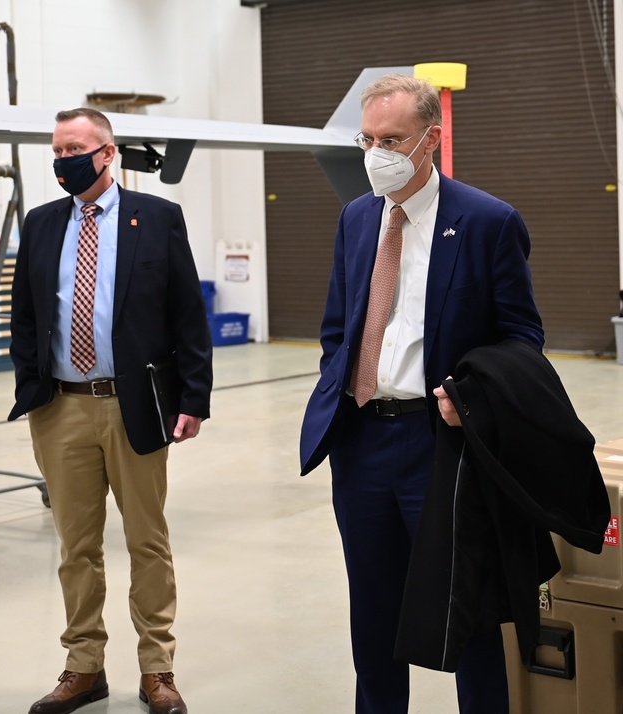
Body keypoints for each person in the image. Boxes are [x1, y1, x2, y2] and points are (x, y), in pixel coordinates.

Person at [298, 73, 544, 714]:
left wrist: (474, 399)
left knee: (468, 610)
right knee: (373, 611)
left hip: (445, 445)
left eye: (393, 139)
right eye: (368, 138)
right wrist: (343, 383)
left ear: (431, 139)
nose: (376, 153)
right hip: (363, 443)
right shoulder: (356, 218)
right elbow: (337, 328)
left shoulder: (488, 222)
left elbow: (522, 338)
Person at [8, 107, 213, 714]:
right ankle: (83, 666)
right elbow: (23, 315)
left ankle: (158, 669)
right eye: (57, 149)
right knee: (77, 547)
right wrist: (30, 386)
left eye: (74, 147)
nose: (62, 159)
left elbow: (187, 315)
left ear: (107, 152)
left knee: (148, 543)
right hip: (61, 408)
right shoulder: (42, 224)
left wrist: (193, 398)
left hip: (135, 405)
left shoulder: (157, 219)